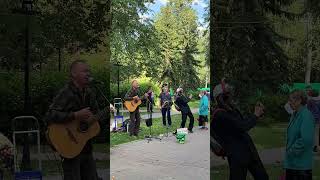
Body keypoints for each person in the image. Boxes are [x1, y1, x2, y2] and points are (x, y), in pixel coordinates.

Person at [45, 60, 101, 180]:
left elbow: (96, 115)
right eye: (85, 71)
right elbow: (50, 115)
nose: (88, 74)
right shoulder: (66, 93)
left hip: (85, 147)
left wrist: (96, 117)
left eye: (89, 71)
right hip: (69, 147)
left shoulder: (90, 93)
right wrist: (75, 115)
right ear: (74, 74)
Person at [211, 81, 268, 180]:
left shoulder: (231, 110)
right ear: (222, 97)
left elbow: (243, 122)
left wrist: (256, 114)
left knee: (263, 177)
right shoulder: (220, 115)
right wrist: (255, 115)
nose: (232, 96)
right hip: (237, 156)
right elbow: (242, 126)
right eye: (229, 94)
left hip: (249, 151)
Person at [284, 90, 315, 180]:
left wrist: (291, 151)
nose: (289, 103)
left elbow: (306, 139)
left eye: (291, 100)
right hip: (292, 164)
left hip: (301, 167)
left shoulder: (306, 115)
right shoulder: (295, 114)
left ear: (299, 100)